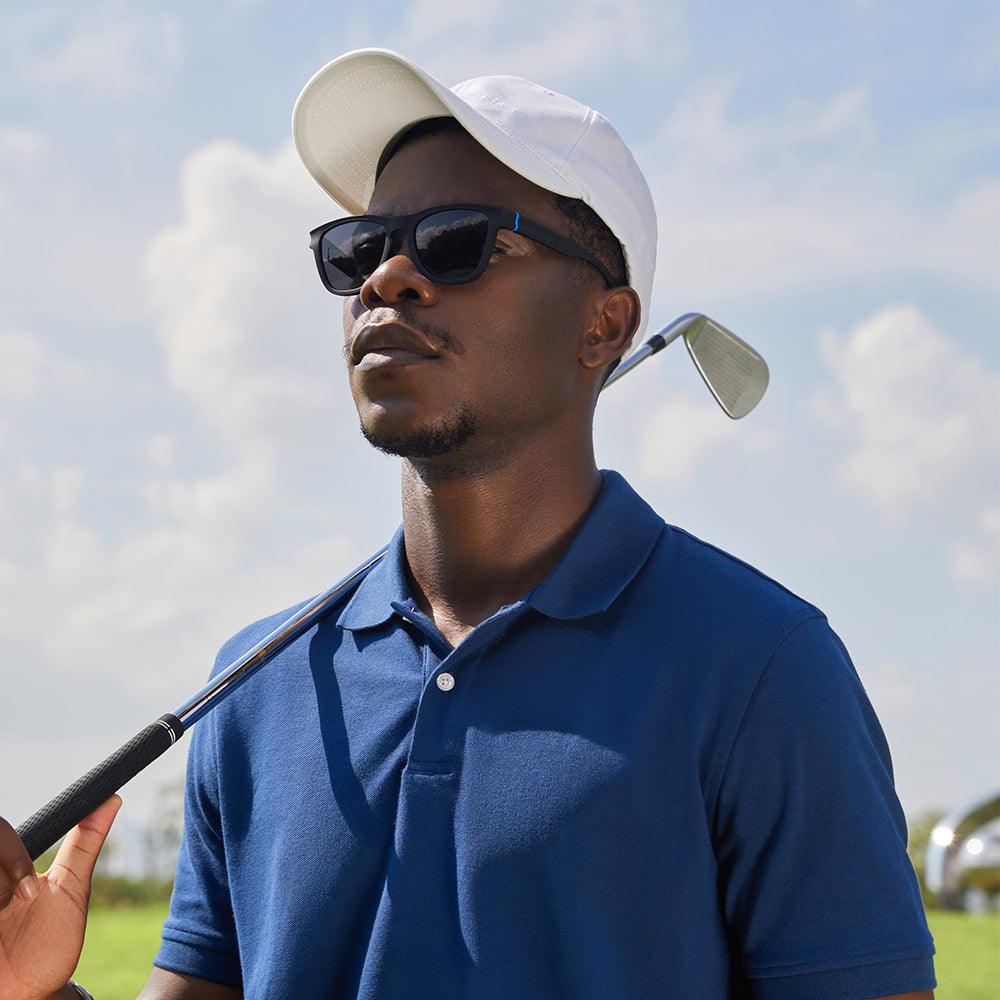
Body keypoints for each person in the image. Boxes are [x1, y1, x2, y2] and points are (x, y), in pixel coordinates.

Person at [0, 48, 937, 1000]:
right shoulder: (257, 687)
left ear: (605, 326)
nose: (386, 278)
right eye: (358, 249)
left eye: (457, 241)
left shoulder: (763, 668)